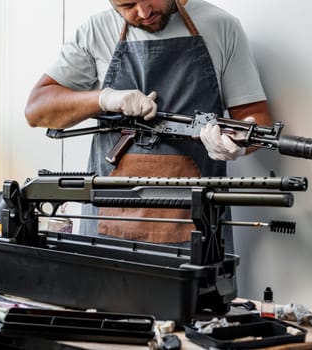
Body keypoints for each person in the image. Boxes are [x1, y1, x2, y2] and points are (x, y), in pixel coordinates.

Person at [25, 0, 273, 250]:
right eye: (127, 4)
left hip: (197, 230)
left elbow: (255, 117)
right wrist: (105, 98)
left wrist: (239, 145)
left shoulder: (220, 26)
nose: (144, 12)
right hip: (106, 229)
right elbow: (37, 110)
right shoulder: (97, 30)